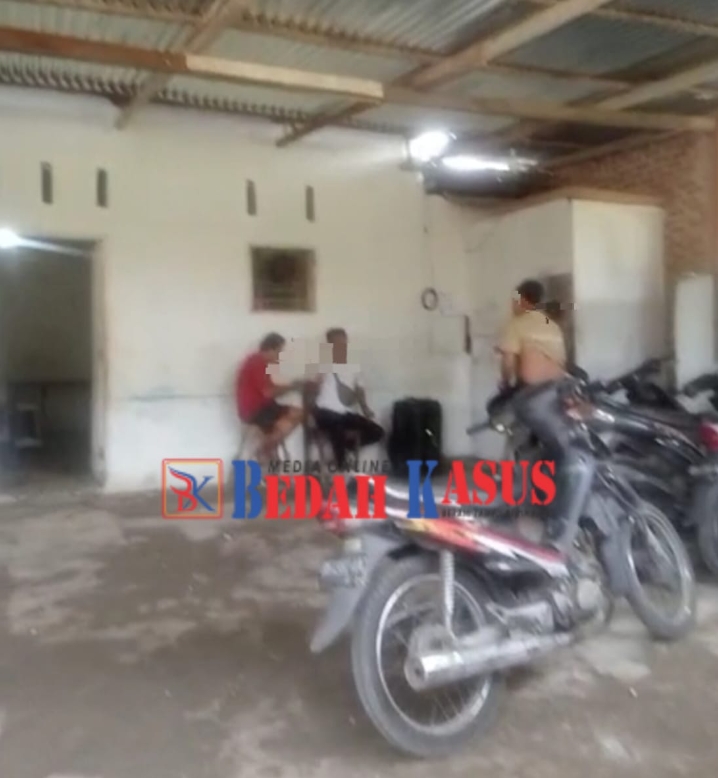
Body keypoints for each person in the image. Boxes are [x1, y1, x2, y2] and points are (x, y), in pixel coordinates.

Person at [312, 328, 383, 471]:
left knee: (377, 432)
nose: (341, 346)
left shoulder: (354, 368)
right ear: (329, 345)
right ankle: (342, 468)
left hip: (345, 414)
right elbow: (312, 391)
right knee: (336, 426)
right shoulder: (322, 367)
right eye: (336, 343)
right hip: (325, 413)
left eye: (343, 343)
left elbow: (360, 390)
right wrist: (315, 386)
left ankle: (342, 452)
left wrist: (365, 408)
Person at [235, 332, 307, 460]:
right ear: (270, 349)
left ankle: (269, 447)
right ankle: (265, 450)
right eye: (279, 352)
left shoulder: (260, 362)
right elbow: (269, 392)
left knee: (293, 417)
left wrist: (292, 386)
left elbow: (270, 388)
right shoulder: (257, 363)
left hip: (263, 406)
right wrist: (292, 387)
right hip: (254, 410)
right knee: (293, 417)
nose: (280, 356)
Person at [496, 279, 567, 389]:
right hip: (556, 387)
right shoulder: (553, 326)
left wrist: (505, 382)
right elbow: (562, 360)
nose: (512, 306)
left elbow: (508, 362)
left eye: (514, 301)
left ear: (521, 300)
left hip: (530, 389)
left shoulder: (517, 324)